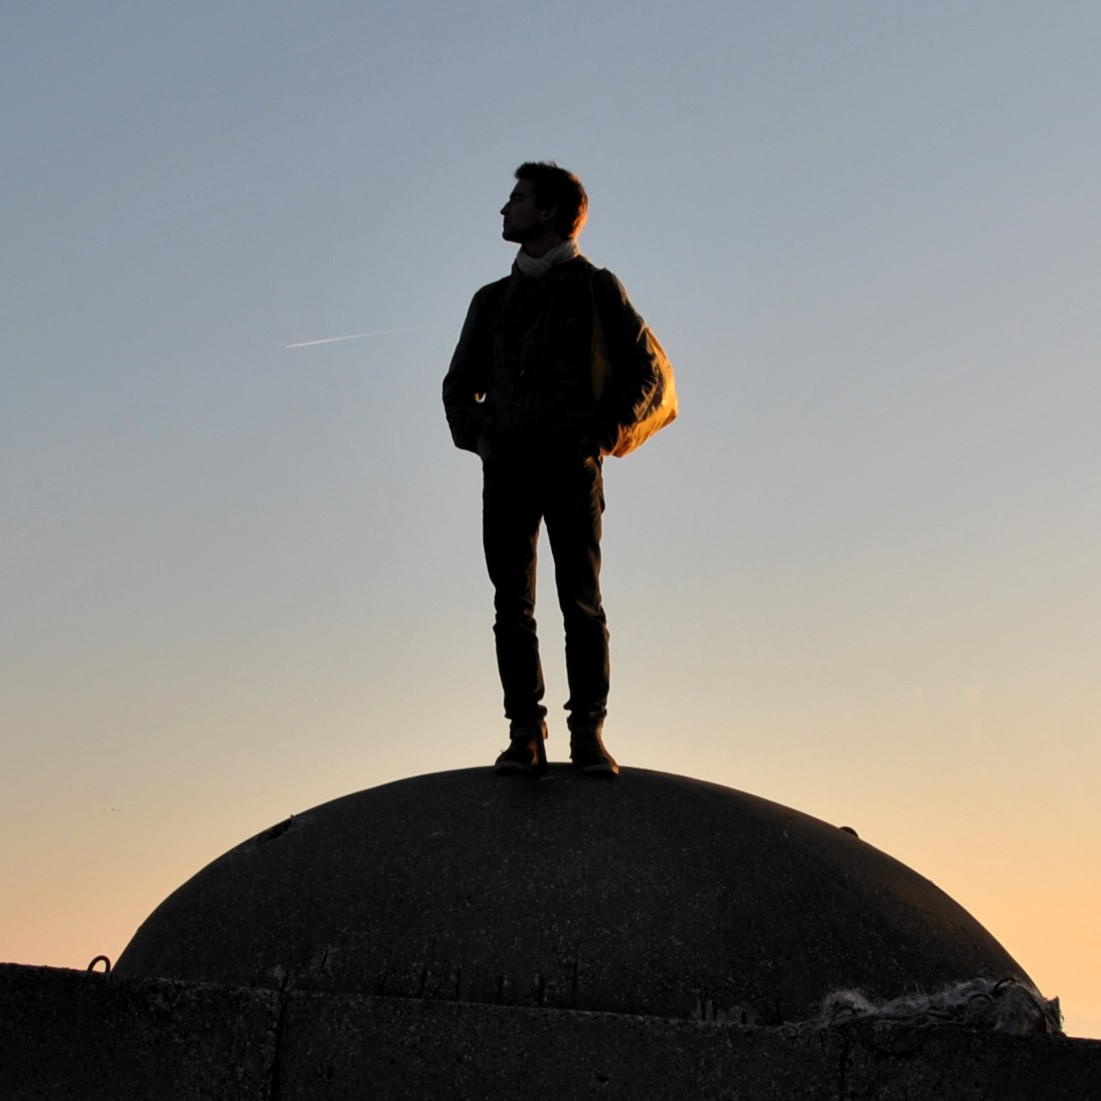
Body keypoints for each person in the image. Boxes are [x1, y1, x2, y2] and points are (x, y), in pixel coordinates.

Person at [443, 161, 664, 778]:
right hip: (507, 472)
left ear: (548, 212)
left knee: (582, 605)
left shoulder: (596, 287)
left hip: (572, 470)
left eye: (517, 198)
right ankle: (525, 735)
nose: (504, 209)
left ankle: (587, 734)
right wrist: (481, 440)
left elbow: (646, 371)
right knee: (511, 607)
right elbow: (457, 386)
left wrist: (600, 436)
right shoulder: (492, 300)